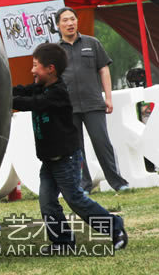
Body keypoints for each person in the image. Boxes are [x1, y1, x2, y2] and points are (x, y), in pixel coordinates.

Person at [12, 43, 127, 252]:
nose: (31, 70)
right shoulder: (40, 87)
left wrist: (5, 100)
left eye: (35, 66)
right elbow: (21, 91)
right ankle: (63, 242)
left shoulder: (58, 92)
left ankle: (116, 227)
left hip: (67, 159)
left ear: (50, 69)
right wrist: (0, 90)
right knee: (47, 203)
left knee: (75, 199)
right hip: (49, 160)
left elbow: (32, 103)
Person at [55, 7, 129, 193]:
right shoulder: (55, 51)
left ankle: (118, 183)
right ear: (58, 25)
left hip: (93, 103)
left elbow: (103, 70)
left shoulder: (92, 43)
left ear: (77, 21)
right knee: (75, 149)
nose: (70, 23)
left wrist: (108, 97)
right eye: (65, 20)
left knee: (102, 142)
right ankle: (83, 185)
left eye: (73, 19)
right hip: (67, 107)